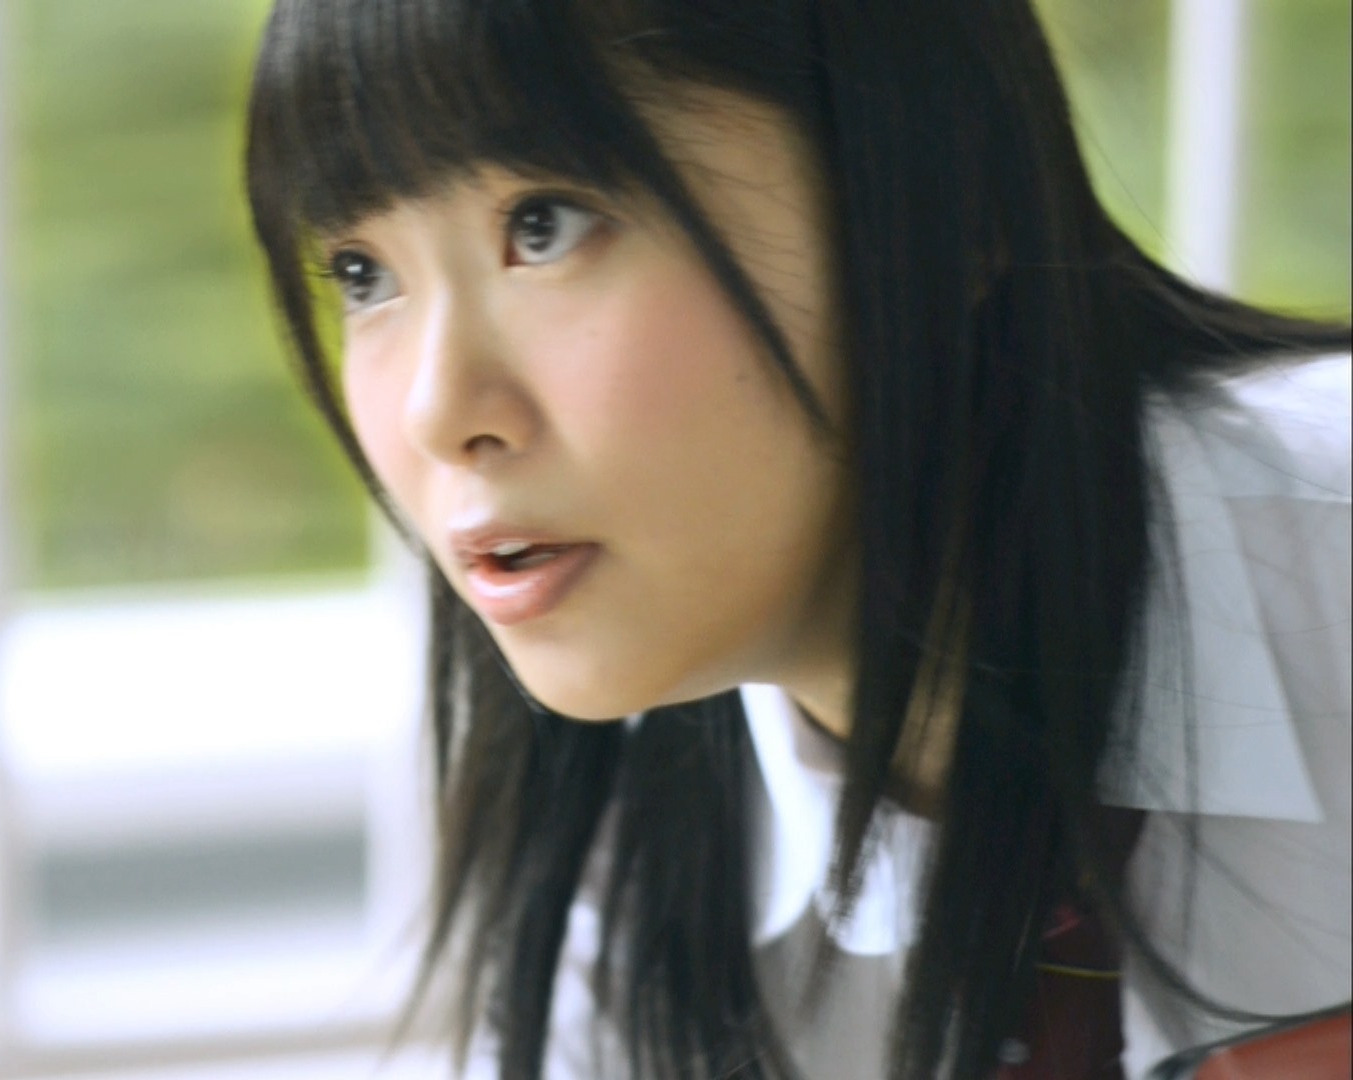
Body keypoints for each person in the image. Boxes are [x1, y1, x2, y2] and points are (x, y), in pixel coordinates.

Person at [240, 2, 1352, 1078]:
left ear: (948, 198)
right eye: (362, 274)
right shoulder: (619, 874)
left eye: (545, 225)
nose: (436, 411)